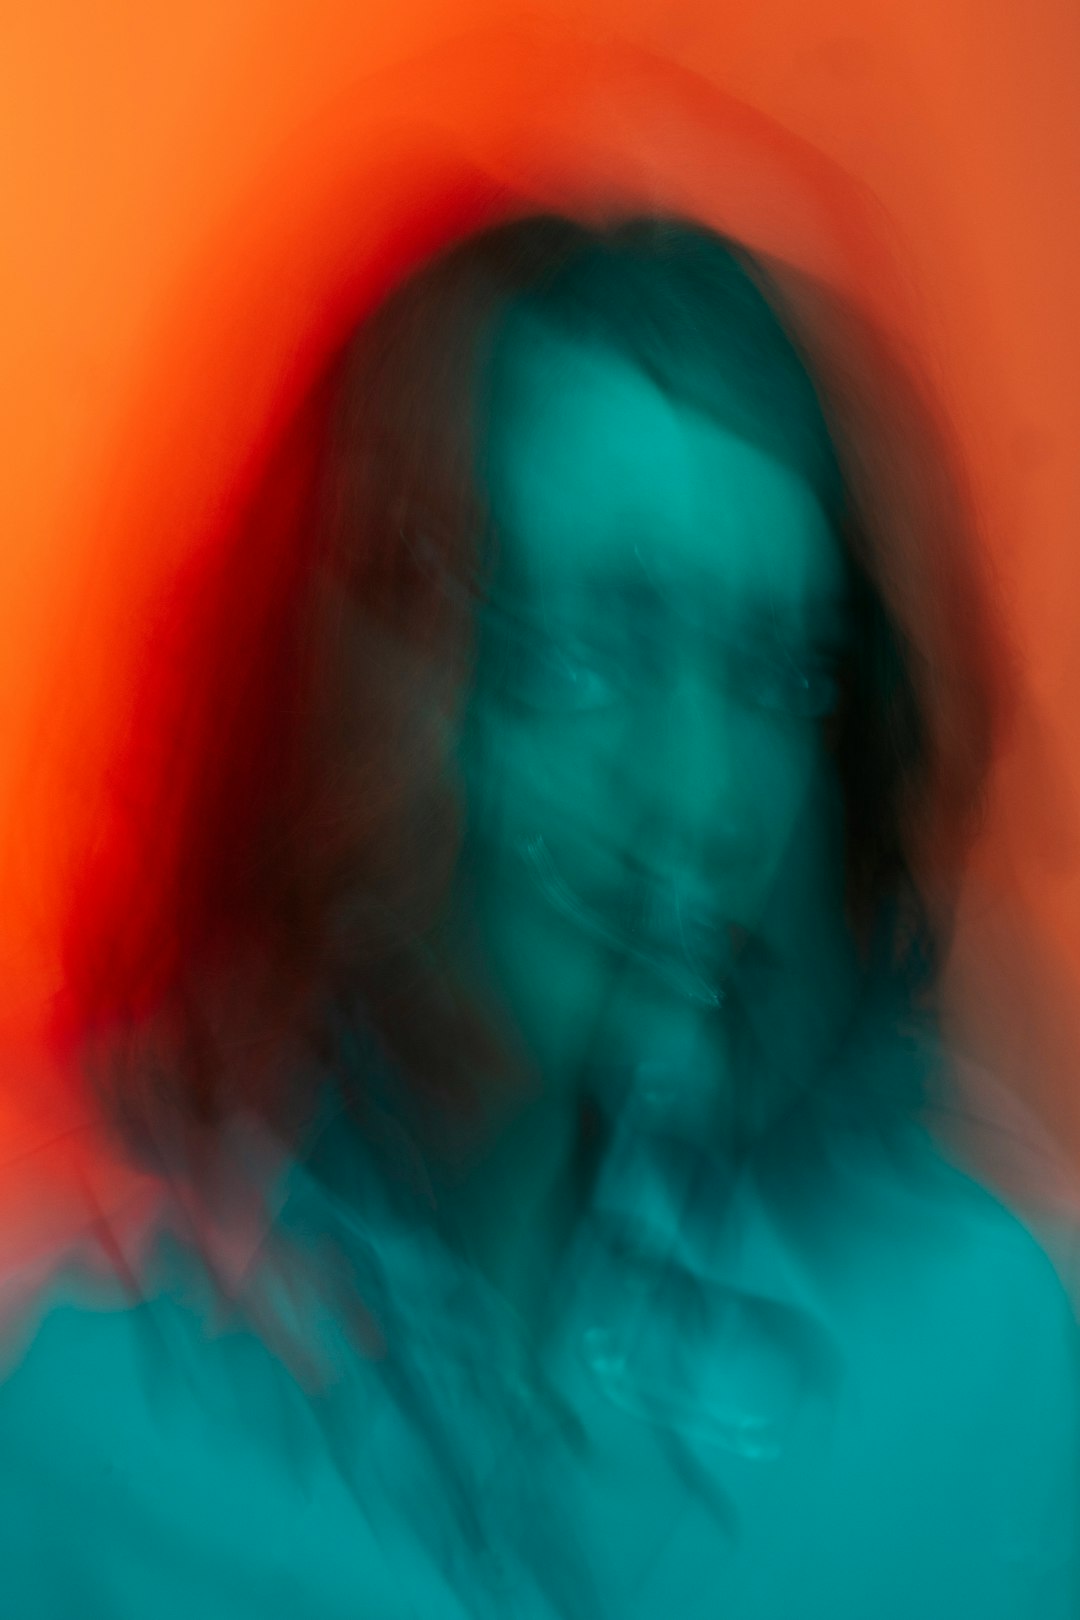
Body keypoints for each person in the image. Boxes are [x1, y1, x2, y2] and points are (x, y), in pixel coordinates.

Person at [1, 209, 1076, 1618]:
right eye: (591, 648)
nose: (704, 792)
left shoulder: (982, 1358)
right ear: (348, 681)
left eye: (777, 671)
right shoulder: (80, 1416)